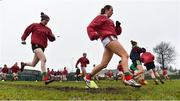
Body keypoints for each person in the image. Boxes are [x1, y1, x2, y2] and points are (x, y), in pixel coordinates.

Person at [85, 5, 141, 88]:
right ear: (106, 10)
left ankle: (88, 77)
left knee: (104, 64)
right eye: (111, 10)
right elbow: (90, 27)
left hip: (108, 40)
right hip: (109, 38)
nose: (112, 12)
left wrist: (118, 27)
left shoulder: (109, 20)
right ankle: (128, 78)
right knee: (125, 55)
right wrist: (93, 35)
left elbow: (116, 32)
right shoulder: (101, 17)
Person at [20, 12, 56, 84]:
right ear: (42, 19)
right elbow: (27, 31)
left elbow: (51, 39)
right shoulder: (34, 25)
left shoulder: (48, 29)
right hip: (35, 45)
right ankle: (45, 79)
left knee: (33, 64)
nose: (47, 22)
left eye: (48, 21)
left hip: (42, 47)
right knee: (43, 59)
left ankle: (24, 64)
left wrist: (53, 37)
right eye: (46, 20)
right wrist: (23, 39)